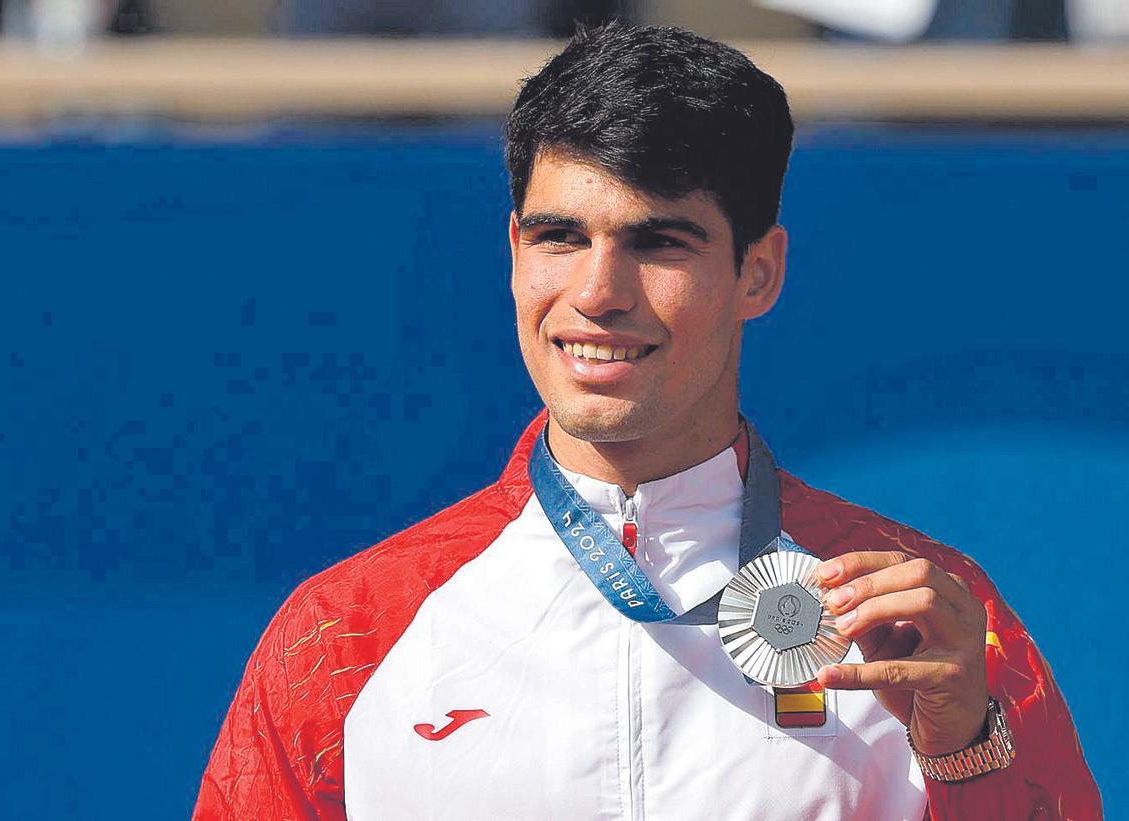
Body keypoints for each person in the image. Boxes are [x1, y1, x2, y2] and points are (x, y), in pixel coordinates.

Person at [193, 23, 1100, 819]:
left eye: (659, 242)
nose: (596, 294)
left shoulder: (931, 622)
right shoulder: (344, 634)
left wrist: (964, 753)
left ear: (759, 272)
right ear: (513, 252)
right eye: (561, 236)